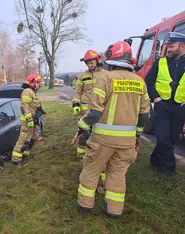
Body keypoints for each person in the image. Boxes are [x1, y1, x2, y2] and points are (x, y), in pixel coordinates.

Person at [75, 41, 150, 218]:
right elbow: (145, 115)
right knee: (117, 174)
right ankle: (113, 210)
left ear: (111, 59)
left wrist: (81, 128)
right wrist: (137, 134)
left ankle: (84, 205)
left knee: (92, 169)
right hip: (127, 142)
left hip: (103, 140)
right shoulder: (140, 82)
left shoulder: (106, 79)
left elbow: (94, 112)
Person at [145, 32, 185, 178]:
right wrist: (155, 98)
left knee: (171, 138)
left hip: (180, 107)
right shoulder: (160, 62)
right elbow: (149, 81)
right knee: (162, 136)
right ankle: (168, 169)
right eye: (167, 46)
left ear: (182, 46)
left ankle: (154, 159)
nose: (168, 49)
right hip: (162, 106)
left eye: (172, 46)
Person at [72, 50, 108, 158]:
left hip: (100, 110)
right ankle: (80, 155)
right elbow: (77, 92)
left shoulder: (106, 75)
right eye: (87, 63)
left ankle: (96, 156)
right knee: (83, 133)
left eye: (91, 62)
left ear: (98, 60)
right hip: (85, 110)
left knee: (99, 134)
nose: (89, 65)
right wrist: (75, 105)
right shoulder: (82, 76)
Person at [11, 73, 43, 167]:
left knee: (31, 138)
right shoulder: (27, 91)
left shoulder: (32, 92)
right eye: (38, 82)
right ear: (33, 83)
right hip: (27, 121)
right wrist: (29, 119)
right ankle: (16, 160)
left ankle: (26, 153)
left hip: (32, 120)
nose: (39, 85)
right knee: (23, 139)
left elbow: (33, 105)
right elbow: (24, 107)